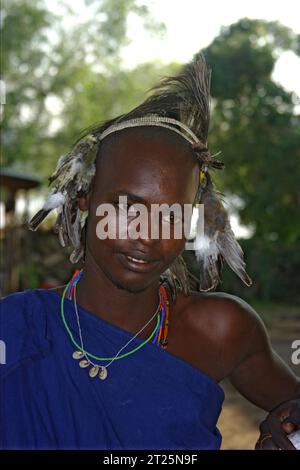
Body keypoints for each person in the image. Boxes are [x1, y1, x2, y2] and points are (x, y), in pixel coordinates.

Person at [1, 56, 299, 450]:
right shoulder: (16, 327)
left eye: (172, 214)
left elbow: (293, 414)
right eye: (126, 207)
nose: (149, 235)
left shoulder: (221, 330)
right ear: (86, 200)